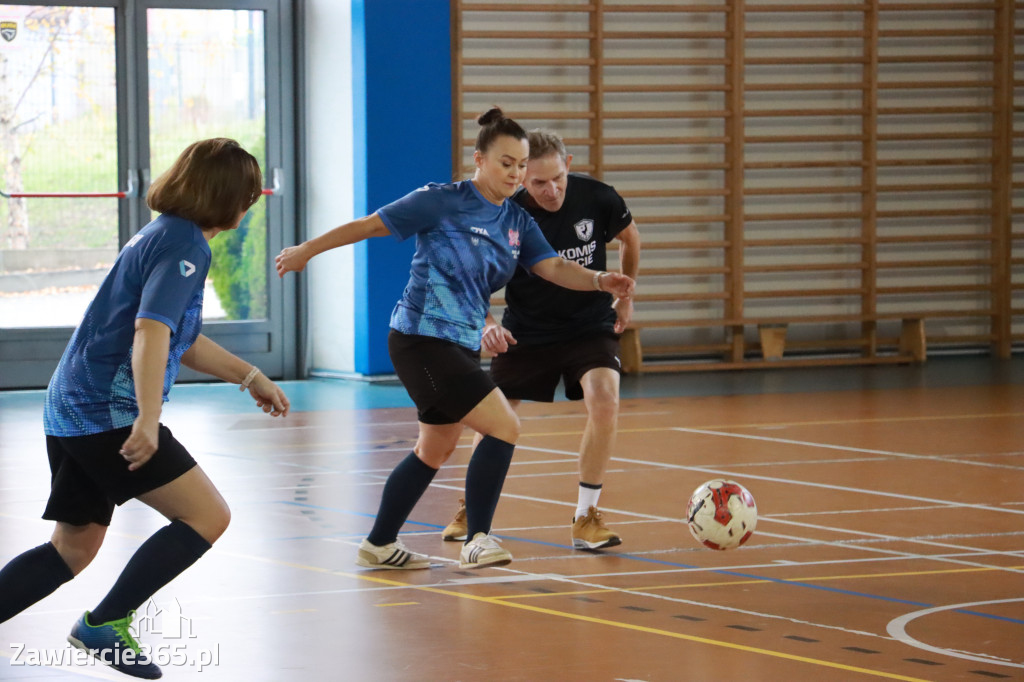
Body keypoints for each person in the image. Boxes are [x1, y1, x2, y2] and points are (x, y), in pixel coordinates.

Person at [275, 108, 634, 572]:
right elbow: (369, 225)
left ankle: (379, 543)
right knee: (504, 425)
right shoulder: (442, 201)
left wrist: (602, 279)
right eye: (507, 163)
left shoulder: (517, 222)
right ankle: (479, 539)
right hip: (420, 337)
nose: (516, 173)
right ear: (479, 159)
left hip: (458, 344)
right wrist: (307, 250)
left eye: (521, 165)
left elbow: (555, 268)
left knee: (434, 449)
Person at [0, 138, 291, 680]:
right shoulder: (185, 247)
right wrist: (148, 419)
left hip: (70, 404)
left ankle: (102, 622)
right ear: (231, 199)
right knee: (208, 516)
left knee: (72, 548)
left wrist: (250, 375)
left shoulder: (164, 234)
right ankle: (105, 623)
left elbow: (184, 338)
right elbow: (150, 333)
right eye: (248, 196)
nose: (250, 206)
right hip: (102, 413)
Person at [442, 129, 641, 551]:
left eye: (558, 180)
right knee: (494, 419)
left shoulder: (599, 198)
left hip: (589, 326)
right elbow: (473, 279)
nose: (551, 191)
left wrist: (626, 297)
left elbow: (630, 238)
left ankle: (586, 517)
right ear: (521, 175)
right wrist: (488, 323)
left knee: (605, 399)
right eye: (538, 182)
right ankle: (469, 509)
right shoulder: (504, 215)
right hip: (528, 329)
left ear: (568, 165)